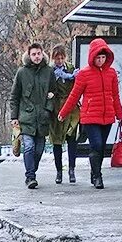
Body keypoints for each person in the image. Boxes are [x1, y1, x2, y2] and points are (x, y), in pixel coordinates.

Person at [58, 37, 122, 190]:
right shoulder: (84, 74)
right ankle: (97, 176)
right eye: (98, 57)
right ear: (92, 57)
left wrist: (119, 114)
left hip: (107, 116)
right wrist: (63, 113)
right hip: (90, 117)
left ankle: (95, 172)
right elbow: (74, 95)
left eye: (103, 57)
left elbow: (115, 95)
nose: (101, 60)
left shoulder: (112, 73)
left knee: (101, 148)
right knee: (96, 144)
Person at [10, 42, 55, 189]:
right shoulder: (22, 72)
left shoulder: (49, 72)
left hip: (42, 118)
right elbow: (14, 96)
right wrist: (14, 117)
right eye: (33, 54)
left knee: (39, 149)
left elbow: (54, 93)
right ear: (29, 56)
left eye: (39, 53)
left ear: (43, 54)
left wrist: (48, 109)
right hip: (26, 117)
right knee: (29, 147)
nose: (36, 56)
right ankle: (30, 177)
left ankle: (31, 170)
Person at [49, 45, 80, 185]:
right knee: (57, 141)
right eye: (57, 58)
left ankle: (72, 170)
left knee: (71, 138)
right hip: (56, 108)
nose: (60, 61)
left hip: (71, 107)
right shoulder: (49, 71)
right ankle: (59, 171)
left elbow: (78, 85)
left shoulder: (72, 70)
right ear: (53, 58)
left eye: (62, 58)